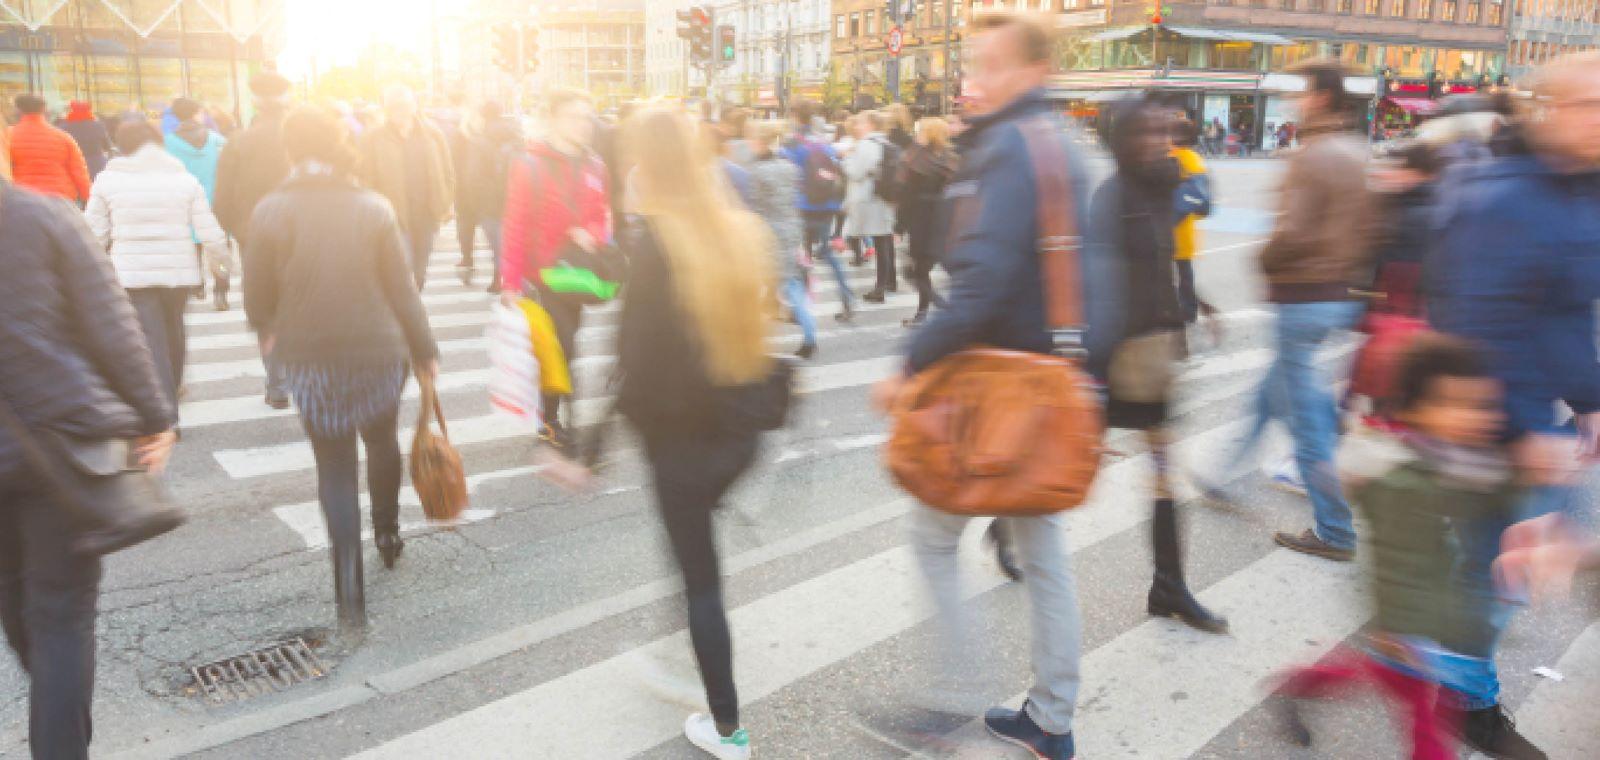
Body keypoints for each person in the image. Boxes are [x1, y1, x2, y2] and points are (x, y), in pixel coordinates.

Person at [872, 11, 1092, 759]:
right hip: (1046, 380)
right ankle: (1052, 718)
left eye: (992, 64)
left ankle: (953, 700)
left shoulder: (1006, 147)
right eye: (976, 62)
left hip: (996, 387)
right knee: (1044, 552)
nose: (977, 77)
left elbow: (981, 280)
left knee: (934, 539)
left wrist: (909, 365)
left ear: (1032, 70)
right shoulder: (1064, 143)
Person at [1425, 52, 1600, 760]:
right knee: (1489, 574)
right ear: (1546, 110)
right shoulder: (1503, 198)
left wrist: (1589, 401)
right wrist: (1529, 431)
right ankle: (1461, 699)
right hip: (1498, 428)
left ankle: (1448, 680)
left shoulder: (1573, 188)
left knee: (1541, 557)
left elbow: (1561, 308)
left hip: (1547, 422)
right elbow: (1478, 329)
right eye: (1588, 105)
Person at [615, 103, 776, 760]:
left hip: (682, 440)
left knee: (700, 577)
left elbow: (638, 363)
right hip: (741, 435)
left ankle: (729, 728)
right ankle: (672, 638)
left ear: (646, 165)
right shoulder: (740, 229)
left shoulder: (657, 244)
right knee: (692, 556)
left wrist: (586, 446)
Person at [242, 106, 439, 634]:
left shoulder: (271, 210)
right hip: (379, 347)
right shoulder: (373, 206)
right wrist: (424, 349)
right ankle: (389, 533)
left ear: (291, 149)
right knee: (381, 439)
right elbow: (403, 289)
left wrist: (270, 333)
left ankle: (348, 583)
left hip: (312, 353)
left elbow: (257, 295)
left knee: (333, 464)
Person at [1, 173, 178, 760]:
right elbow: (111, 321)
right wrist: (155, 414)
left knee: (22, 611)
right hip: (62, 442)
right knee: (61, 617)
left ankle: (57, 706)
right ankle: (62, 736)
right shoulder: (44, 216)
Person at [1275, 335, 1518, 760]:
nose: (1472, 418)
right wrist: (1401, 632)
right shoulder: (1407, 484)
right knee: (1423, 725)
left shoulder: (1438, 461)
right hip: (1408, 628)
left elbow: (1486, 494)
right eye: (1454, 404)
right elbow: (1396, 562)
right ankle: (1296, 684)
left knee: (1368, 676)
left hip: (1424, 626)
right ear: (1414, 411)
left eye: (1479, 405)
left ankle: (1296, 685)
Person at [1200, 60, 1376, 563]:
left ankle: (1336, 530)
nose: (1293, 103)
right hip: (1337, 296)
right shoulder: (1358, 150)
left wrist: (1263, 258)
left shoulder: (1314, 154)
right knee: (1273, 391)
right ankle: (1220, 474)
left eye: (1299, 93)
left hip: (1302, 297)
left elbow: (1292, 235)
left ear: (1320, 97)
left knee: (1307, 421)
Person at [1085, 96, 1229, 635]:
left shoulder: (1158, 185)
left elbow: (1162, 260)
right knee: (1067, 465)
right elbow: (1097, 292)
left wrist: (1200, 301)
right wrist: (1092, 381)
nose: (1155, 141)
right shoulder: (1111, 196)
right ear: (1118, 139)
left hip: (1155, 350)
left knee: (1165, 475)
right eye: (1141, 133)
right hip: (1118, 356)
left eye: (1160, 131)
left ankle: (1169, 585)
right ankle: (1008, 523)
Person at [84, 120, 228, 412]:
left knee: (149, 337)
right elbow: (208, 229)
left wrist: (88, 271)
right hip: (178, 272)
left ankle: (166, 409)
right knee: (173, 329)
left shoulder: (108, 180)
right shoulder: (182, 179)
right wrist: (222, 262)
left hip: (131, 273)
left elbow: (93, 232)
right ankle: (172, 389)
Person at [499, 88, 611, 453]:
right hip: (542, 275)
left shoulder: (596, 166)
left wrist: (591, 233)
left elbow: (602, 216)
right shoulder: (529, 164)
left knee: (569, 344)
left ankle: (556, 409)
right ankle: (550, 420)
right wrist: (510, 281)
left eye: (587, 118)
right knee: (558, 345)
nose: (584, 125)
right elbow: (514, 223)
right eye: (575, 118)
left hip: (576, 273)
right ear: (555, 120)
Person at [214, 71, 295, 410]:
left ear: (256, 103)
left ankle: (277, 384)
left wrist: (238, 228)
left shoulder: (239, 141)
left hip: (256, 236)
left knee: (266, 308)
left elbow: (222, 200)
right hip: (305, 232)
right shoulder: (302, 138)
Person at [357, 85, 456, 290]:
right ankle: (405, 312)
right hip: (393, 215)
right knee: (403, 267)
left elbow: (447, 171)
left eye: (405, 106)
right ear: (387, 110)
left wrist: (446, 201)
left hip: (427, 213)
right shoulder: (373, 137)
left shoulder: (432, 133)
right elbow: (365, 177)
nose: (400, 112)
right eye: (394, 107)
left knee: (420, 270)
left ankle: (411, 304)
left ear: (414, 106)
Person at [746, 120, 816, 358]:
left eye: (753, 139)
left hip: (769, 234)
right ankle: (805, 331)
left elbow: (755, 207)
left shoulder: (756, 171)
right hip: (791, 229)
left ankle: (808, 336)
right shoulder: (788, 167)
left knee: (785, 285)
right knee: (788, 282)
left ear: (760, 142)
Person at [782, 100, 856, 322]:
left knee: (801, 257)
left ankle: (802, 306)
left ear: (795, 116)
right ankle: (846, 297)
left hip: (803, 206)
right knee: (827, 254)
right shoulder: (823, 142)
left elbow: (787, 176)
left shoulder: (792, 144)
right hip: (826, 206)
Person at [165, 97, 231, 310]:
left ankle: (197, 285)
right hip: (216, 203)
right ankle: (221, 292)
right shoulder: (216, 140)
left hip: (184, 204)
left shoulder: (167, 143)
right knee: (218, 250)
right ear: (196, 114)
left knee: (190, 247)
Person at [452, 101, 523, 291]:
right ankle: (505, 279)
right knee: (508, 243)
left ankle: (503, 282)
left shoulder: (479, 139)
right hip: (516, 198)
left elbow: (473, 176)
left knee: (497, 244)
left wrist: (477, 203)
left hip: (490, 203)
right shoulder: (516, 134)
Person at [897, 115, 957, 326]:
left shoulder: (917, 159)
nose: (917, 133)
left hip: (922, 219)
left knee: (916, 271)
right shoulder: (949, 157)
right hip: (943, 218)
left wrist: (899, 226)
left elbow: (906, 193)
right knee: (925, 268)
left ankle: (940, 310)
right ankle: (928, 312)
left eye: (920, 130)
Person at [843, 111, 898, 303]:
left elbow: (856, 173)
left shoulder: (866, 145)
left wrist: (847, 159)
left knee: (880, 242)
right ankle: (890, 281)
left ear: (871, 125)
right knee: (885, 240)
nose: (857, 126)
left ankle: (879, 288)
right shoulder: (885, 143)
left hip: (870, 199)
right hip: (883, 198)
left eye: (861, 123)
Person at [7, 94, 91, 205]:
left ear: (18, 110)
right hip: (61, 200)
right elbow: (79, 172)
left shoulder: (7, 136)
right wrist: (88, 198)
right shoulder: (64, 137)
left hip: (22, 201)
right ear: (43, 110)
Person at [1170, 117, 1214, 327]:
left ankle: (1186, 310)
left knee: (1177, 274)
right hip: (1187, 226)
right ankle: (1190, 310)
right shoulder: (1195, 158)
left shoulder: (1176, 158)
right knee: (1184, 272)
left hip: (1174, 226)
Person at [57, 101, 110, 180]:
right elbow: (106, 146)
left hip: (73, 163)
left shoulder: (63, 127)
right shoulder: (97, 125)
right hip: (95, 163)